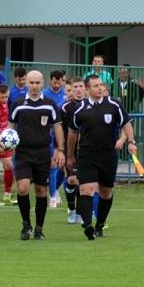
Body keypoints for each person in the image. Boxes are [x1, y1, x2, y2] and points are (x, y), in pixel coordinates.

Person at [67, 75, 137, 240]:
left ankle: (99, 225)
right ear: (88, 89)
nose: (100, 88)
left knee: (106, 192)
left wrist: (131, 141)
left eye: (101, 85)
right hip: (87, 154)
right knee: (86, 189)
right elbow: (72, 133)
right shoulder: (79, 109)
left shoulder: (114, 105)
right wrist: (70, 155)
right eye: (96, 86)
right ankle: (87, 225)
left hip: (108, 155)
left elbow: (126, 123)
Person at [9, 70, 65, 240]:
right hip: (22, 152)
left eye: (37, 83)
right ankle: (26, 224)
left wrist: (60, 149)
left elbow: (57, 127)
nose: (34, 86)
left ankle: (39, 228)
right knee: (23, 188)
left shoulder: (50, 104)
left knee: (41, 191)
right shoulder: (18, 104)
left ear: (42, 84)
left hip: (42, 153)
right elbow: (10, 127)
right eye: (31, 83)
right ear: (26, 83)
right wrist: (6, 144)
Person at [61, 76, 85, 224]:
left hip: (86, 150)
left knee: (83, 182)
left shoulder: (90, 105)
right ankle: (71, 209)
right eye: (75, 87)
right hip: (69, 149)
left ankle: (81, 213)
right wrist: (59, 149)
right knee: (72, 180)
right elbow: (59, 129)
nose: (78, 90)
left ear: (85, 88)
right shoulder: (65, 108)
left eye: (81, 86)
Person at [43, 69, 66, 208]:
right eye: (55, 82)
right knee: (53, 165)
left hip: (64, 133)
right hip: (49, 134)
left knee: (62, 166)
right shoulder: (44, 94)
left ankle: (55, 190)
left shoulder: (66, 93)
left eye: (59, 82)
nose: (57, 85)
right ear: (50, 80)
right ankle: (52, 195)